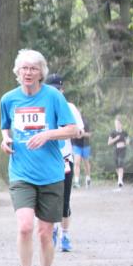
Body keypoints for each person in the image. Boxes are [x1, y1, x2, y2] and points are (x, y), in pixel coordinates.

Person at [0, 50, 78, 266]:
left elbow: (73, 129)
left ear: (41, 72)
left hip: (51, 173)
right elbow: (5, 127)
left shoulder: (53, 97)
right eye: (24, 68)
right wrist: (5, 140)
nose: (28, 72)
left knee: (45, 232)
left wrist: (48, 134)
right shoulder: (8, 99)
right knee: (24, 226)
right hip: (21, 172)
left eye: (33, 68)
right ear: (18, 71)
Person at [43, 74, 84, 252]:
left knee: (64, 201)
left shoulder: (70, 107)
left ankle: (65, 235)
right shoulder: (42, 107)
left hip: (65, 158)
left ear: (62, 90)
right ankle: (52, 230)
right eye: (52, 90)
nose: (56, 93)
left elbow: (79, 130)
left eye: (58, 90)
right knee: (48, 200)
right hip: (46, 160)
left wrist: (76, 132)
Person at [71, 111, 92, 188]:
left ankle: (88, 178)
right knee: (76, 162)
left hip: (85, 145)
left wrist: (82, 134)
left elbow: (89, 134)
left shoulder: (85, 121)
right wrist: (74, 135)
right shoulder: (72, 121)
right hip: (76, 145)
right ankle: (76, 181)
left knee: (86, 163)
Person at [107, 118, 129, 189]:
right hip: (115, 150)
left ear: (121, 124)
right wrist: (116, 139)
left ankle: (120, 180)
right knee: (117, 166)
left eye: (118, 124)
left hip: (122, 150)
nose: (117, 125)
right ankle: (120, 178)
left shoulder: (124, 132)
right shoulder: (113, 133)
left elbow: (128, 141)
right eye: (116, 124)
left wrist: (125, 142)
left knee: (120, 163)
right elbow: (109, 143)